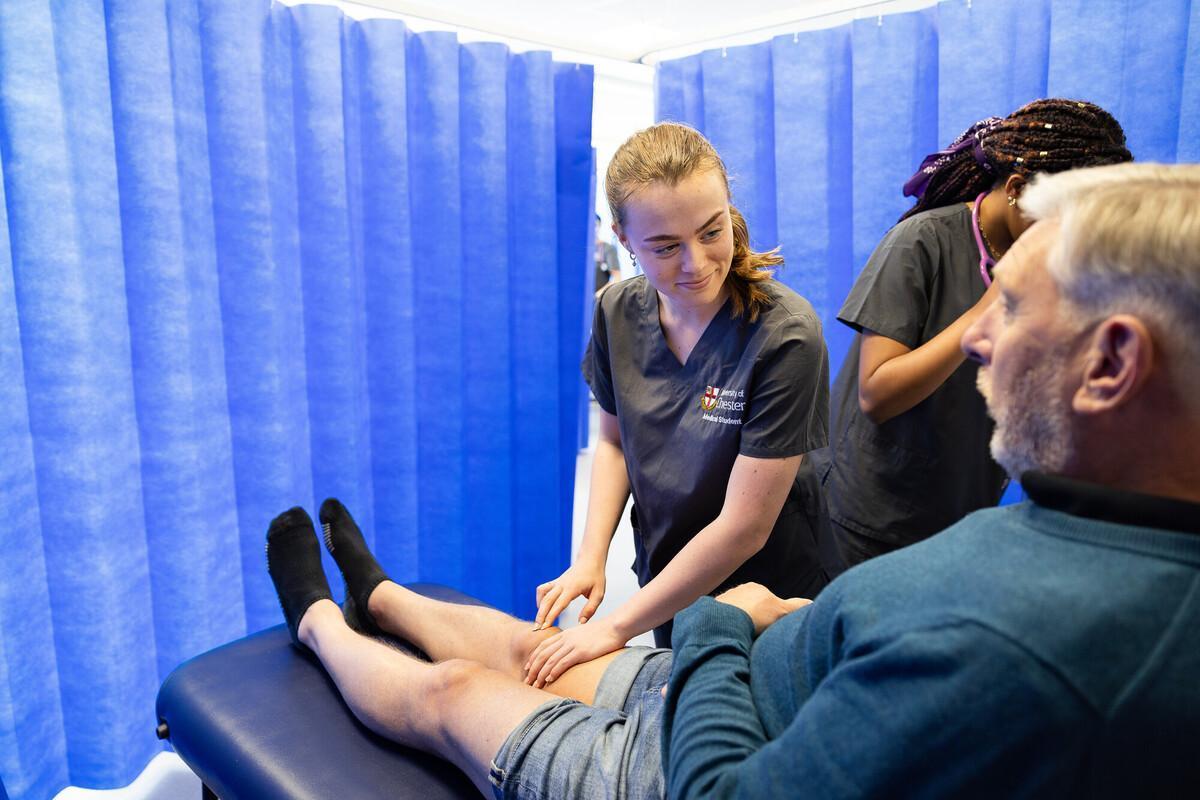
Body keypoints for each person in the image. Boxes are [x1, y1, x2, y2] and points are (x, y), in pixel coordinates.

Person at [268, 161, 1200, 799]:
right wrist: (800, 624)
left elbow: (725, 783)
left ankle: (313, 616)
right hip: (749, 682)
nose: (979, 335)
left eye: (1012, 305)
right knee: (521, 643)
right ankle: (381, 595)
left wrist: (722, 622)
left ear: (1112, 363)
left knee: (454, 698)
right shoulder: (1075, 530)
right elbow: (615, 435)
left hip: (709, 722)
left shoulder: (1039, 642)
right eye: (661, 245)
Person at [526, 122, 831, 679]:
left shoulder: (785, 335)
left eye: (712, 232)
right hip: (667, 577)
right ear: (623, 238)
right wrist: (591, 558)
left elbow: (744, 527)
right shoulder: (615, 311)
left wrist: (614, 628)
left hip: (770, 592)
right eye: (665, 248)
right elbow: (615, 443)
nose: (696, 263)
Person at [816, 98, 1131, 571]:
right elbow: (877, 393)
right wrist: (986, 309)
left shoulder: (1059, 263)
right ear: (1019, 189)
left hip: (963, 514)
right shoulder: (921, 243)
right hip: (872, 521)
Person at [593, 213, 621, 293]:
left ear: (599, 226)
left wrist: (597, 295)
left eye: (594, 225)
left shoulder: (607, 249)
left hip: (598, 300)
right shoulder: (578, 250)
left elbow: (617, 278)